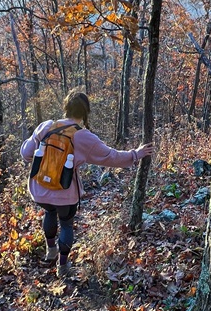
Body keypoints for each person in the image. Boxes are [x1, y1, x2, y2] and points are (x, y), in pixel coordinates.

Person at [21, 91, 153, 278]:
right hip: (65, 193)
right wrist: (135, 154)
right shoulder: (83, 136)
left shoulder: (46, 126)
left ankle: (51, 250)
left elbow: (26, 154)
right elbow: (111, 157)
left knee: (49, 212)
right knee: (66, 224)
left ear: (65, 107)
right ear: (85, 113)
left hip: (39, 190)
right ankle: (63, 267)